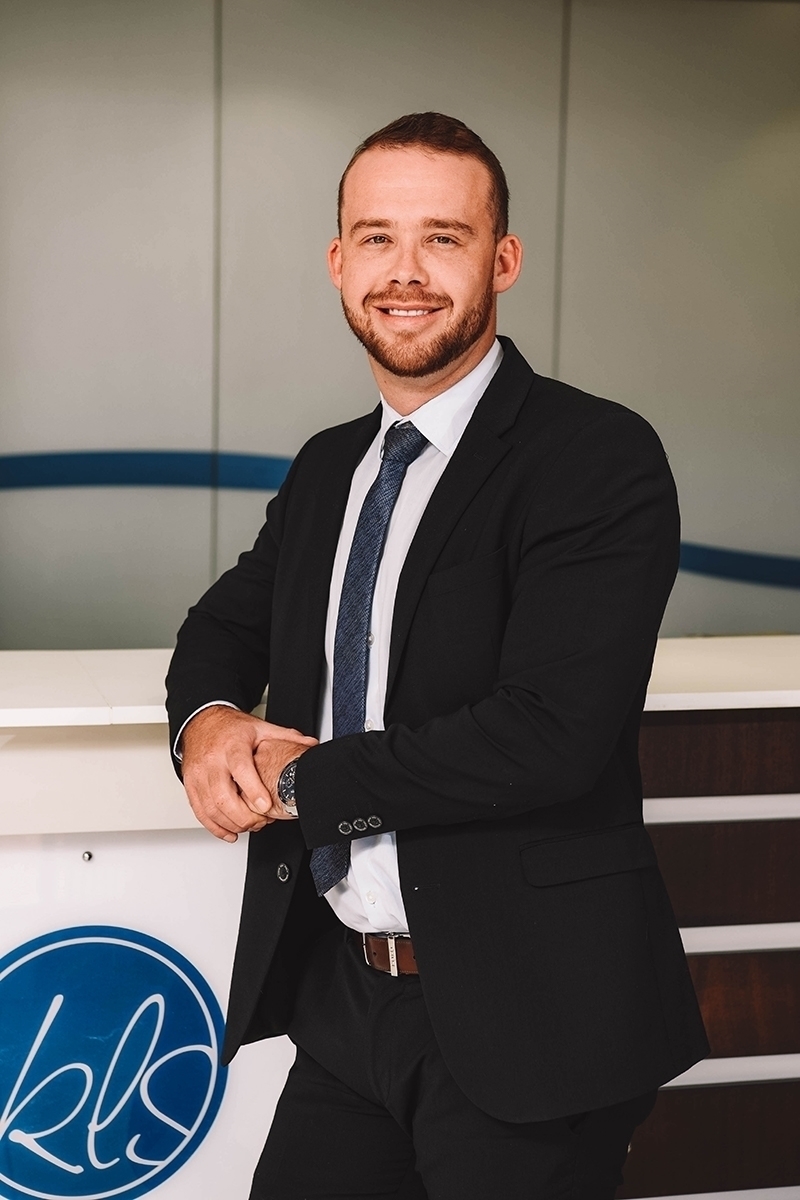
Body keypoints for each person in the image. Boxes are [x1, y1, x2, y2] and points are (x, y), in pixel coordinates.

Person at [166, 112, 708, 1200]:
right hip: (346, 1004)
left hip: (529, 1017)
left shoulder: (594, 457)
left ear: (501, 260)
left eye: (442, 238)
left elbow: (547, 735)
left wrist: (303, 783)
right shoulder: (330, 467)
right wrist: (209, 724)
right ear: (337, 261)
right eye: (377, 237)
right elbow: (222, 628)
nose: (404, 272)